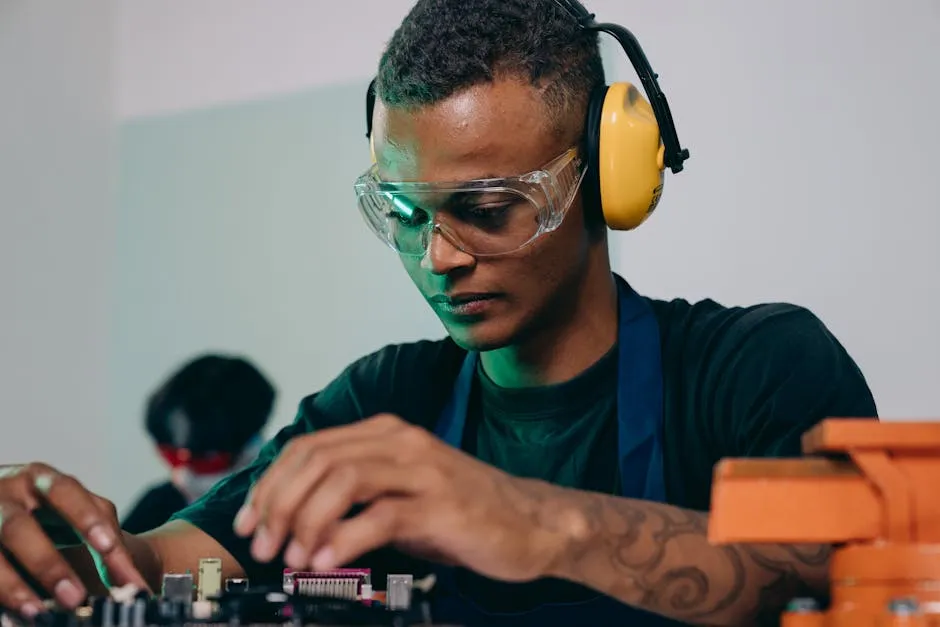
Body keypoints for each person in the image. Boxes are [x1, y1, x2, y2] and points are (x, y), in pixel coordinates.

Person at [0, 1, 878, 625]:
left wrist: (526, 518)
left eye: (488, 210)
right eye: (408, 215)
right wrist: (59, 550)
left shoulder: (759, 365)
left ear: (606, 178)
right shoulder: (383, 401)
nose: (439, 257)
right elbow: (169, 565)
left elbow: (822, 571)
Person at [121, 354, 274, 534]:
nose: (185, 472)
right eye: (171, 456)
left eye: (205, 461)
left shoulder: (278, 502)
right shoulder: (156, 506)